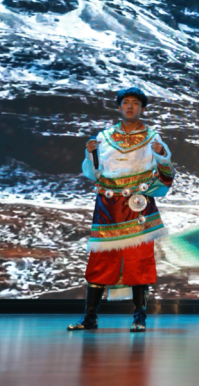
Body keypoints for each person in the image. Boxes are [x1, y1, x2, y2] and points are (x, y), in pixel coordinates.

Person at [67, 87, 174, 333]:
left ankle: (140, 318)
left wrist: (162, 155)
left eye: (135, 102)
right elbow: (94, 173)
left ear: (142, 108)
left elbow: (165, 174)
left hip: (138, 207)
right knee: (100, 260)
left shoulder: (153, 138)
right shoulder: (103, 137)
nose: (130, 106)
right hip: (108, 207)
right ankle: (90, 318)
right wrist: (91, 154)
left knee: (139, 262)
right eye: (126, 102)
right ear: (119, 107)